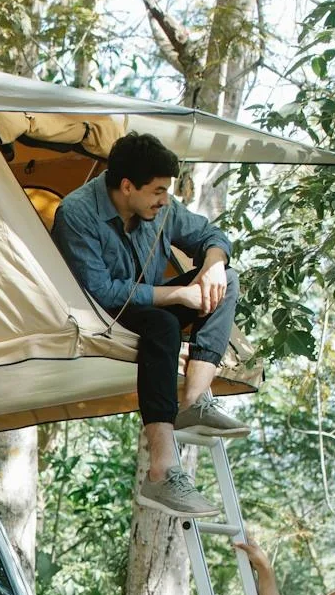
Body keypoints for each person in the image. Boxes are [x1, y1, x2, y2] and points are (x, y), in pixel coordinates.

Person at [51, 132, 248, 519]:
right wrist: (177, 296)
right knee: (162, 323)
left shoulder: (161, 207)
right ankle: (161, 471)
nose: (164, 200)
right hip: (97, 315)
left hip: (147, 304)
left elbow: (211, 235)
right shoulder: (76, 213)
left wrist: (212, 265)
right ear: (127, 187)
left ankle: (192, 401)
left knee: (229, 279)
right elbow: (102, 291)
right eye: (157, 191)